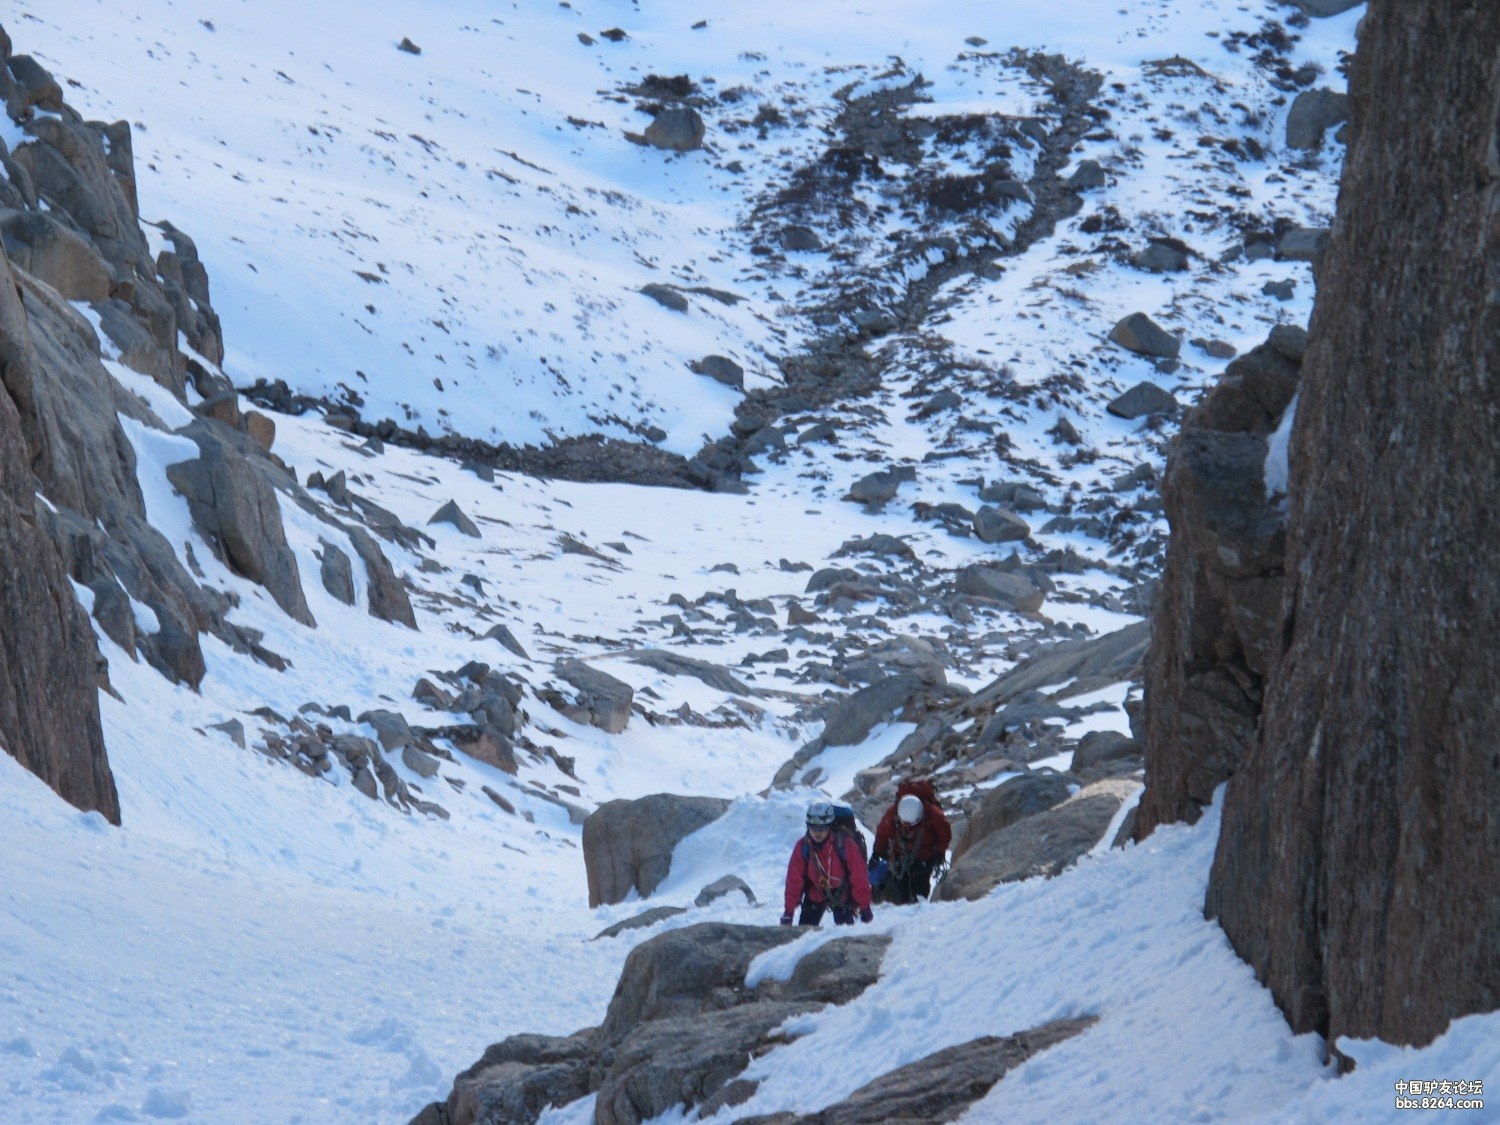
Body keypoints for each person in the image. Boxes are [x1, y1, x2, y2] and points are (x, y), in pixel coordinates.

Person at [781, 801, 873, 927]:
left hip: (842, 895)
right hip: (815, 893)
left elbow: (859, 876)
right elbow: (794, 880)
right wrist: (789, 911)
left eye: (822, 827)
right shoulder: (803, 847)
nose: (818, 832)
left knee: (845, 935)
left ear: (830, 826)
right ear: (808, 826)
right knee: (804, 934)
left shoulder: (845, 844)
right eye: (813, 827)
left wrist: (864, 906)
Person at [872, 780, 951, 905]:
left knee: (920, 889)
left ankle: (919, 910)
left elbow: (944, 833)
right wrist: (878, 851)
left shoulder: (932, 813)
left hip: (924, 857)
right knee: (901, 889)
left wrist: (940, 852)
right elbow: (883, 831)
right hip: (901, 857)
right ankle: (908, 910)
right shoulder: (894, 813)